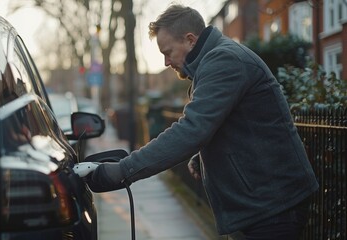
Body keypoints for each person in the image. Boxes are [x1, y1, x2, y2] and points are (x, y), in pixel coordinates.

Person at [87, 4, 319, 239]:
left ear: (189, 40)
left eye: (168, 52)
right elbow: (235, 122)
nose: (166, 62)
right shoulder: (214, 61)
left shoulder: (224, 60)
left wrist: (123, 170)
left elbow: (191, 130)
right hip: (261, 203)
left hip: (273, 206)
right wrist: (204, 155)